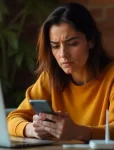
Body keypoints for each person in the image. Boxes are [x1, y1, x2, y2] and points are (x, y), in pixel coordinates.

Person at [7, 2, 114, 142]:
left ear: (91, 41)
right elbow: (13, 119)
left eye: (72, 44)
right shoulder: (51, 77)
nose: (63, 54)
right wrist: (32, 129)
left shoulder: (111, 76)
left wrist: (78, 132)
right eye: (55, 46)